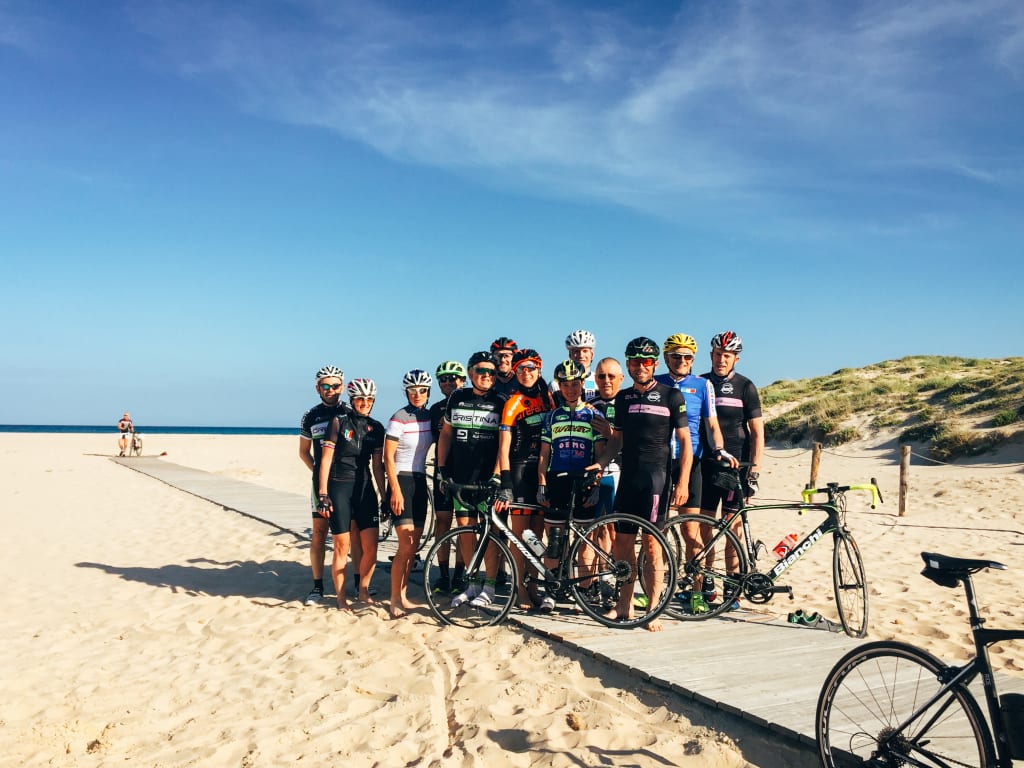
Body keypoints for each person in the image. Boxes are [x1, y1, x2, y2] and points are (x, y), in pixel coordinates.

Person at [600, 337, 691, 631]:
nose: (641, 366)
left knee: (653, 545)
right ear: (628, 364)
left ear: (654, 364)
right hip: (629, 478)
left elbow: (685, 442)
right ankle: (624, 604)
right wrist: (599, 463)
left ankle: (654, 608)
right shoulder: (623, 398)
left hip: (658, 479)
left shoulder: (671, 396)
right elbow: (617, 438)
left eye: (647, 362)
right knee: (622, 543)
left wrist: (683, 481)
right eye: (636, 361)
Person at [655, 334, 738, 572]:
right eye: (676, 356)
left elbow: (711, 424)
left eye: (687, 357)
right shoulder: (656, 382)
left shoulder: (703, 385)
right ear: (666, 358)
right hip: (659, 460)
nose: (682, 360)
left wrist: (719, 449)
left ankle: (698, 588)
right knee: (658, 529)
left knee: (690, 530)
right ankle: (658, 587)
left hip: (690, 461)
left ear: (693, 359)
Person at [536, 360, 607, 612]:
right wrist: (542, 482)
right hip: (557, 480)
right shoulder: (552, 416)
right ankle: (552, 590)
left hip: (584, 481)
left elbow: (600, 453)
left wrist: (596, 483)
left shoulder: (593, 414)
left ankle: (584, 592)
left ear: (582, 385)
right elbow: (545, 452)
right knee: (554, 541)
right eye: (565, 385)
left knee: (585, 541)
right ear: (560, 387)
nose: (570, 389)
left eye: (575, 384)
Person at [435, 351, 504, 608]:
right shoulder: (457, 397)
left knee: (490, 532)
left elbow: (503, 443)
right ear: (470, 372)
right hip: (461, 475)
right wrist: (442, 469)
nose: (486, 376)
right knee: (465, 529)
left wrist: (498, 474)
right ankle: (472, 583)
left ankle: (490, 586)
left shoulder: (500, 400)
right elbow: (446, 435)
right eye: (481, 371)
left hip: (487, 477)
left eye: (491, 372)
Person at [699, 331, 764, 594]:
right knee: (705, 525)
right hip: (706, 463)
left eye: (727, 356)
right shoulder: (702, 383)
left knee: (732, 527)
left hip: (737, 467)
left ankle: (732, 584)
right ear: (711, 355)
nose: (721, 360)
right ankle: (707, 580)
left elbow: (758, 432)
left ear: (736, 358)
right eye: (717, 354)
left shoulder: (745, 386)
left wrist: (755, 471)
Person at [317, 378, 386, 610]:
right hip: (339, 487)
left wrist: (384, 497)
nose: (364, 403)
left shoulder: (377, 428)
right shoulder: (338, 422)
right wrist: (323, 493)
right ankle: (340, 597)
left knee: (371, 548)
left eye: (369, 399)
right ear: (352, 400)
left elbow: (378, 466)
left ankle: (363, 590)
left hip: (365, 488)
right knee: (341, 546)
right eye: (360, 399)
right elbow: (325, 459)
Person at [494, 348, 554, 610]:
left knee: (537, 537)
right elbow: (503, 447)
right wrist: (505, 482)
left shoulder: (547, 397)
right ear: (515, 373)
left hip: (541, 471)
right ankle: (519, 589)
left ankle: (533, 586)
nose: (526, 373)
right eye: (520, 369)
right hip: (519, 471)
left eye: (530, 369)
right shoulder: (513, 401)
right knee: (520, 536)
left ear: (539, 370)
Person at [384, 370, 435, 618]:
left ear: (428, 392)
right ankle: (394, 598)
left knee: (413, 547)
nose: (417, 395)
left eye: (422, 390)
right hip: (401, 481)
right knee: (405, 546)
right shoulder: (398, 418)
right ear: (406, 392)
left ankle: (403, 594)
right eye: (413, 391)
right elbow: (387, 457)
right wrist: (393, 490)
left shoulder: (429, 416)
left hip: (419, 481)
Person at [299, 365, 350, 606]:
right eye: (325, 386)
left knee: (350, 535)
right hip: (320, 484)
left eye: (335, 385)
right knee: (319, 533)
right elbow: (303, 453)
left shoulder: (350, 411)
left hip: (346, 482)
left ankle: (359, 583)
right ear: (318, 388)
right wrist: (319, 475)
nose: (331, 390)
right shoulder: (311, 415)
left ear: (343, 385)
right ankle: (317, 586)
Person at [427, 360, 467, 594]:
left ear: (463, 379)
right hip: (442, 472)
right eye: (443, 378)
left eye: (454, 377)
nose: (449, 382)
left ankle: (460, 576)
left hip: (465, 472)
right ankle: (443, 575)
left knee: (463, 523)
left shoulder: (470, 402)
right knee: (442, 522)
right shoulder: (436, 409)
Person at [551, 330, 599, 403]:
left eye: (585, 351)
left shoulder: (600, 380)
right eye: (576, 351)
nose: (581, 355)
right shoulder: (556, 383)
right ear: (570, 355)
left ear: (592, 354)